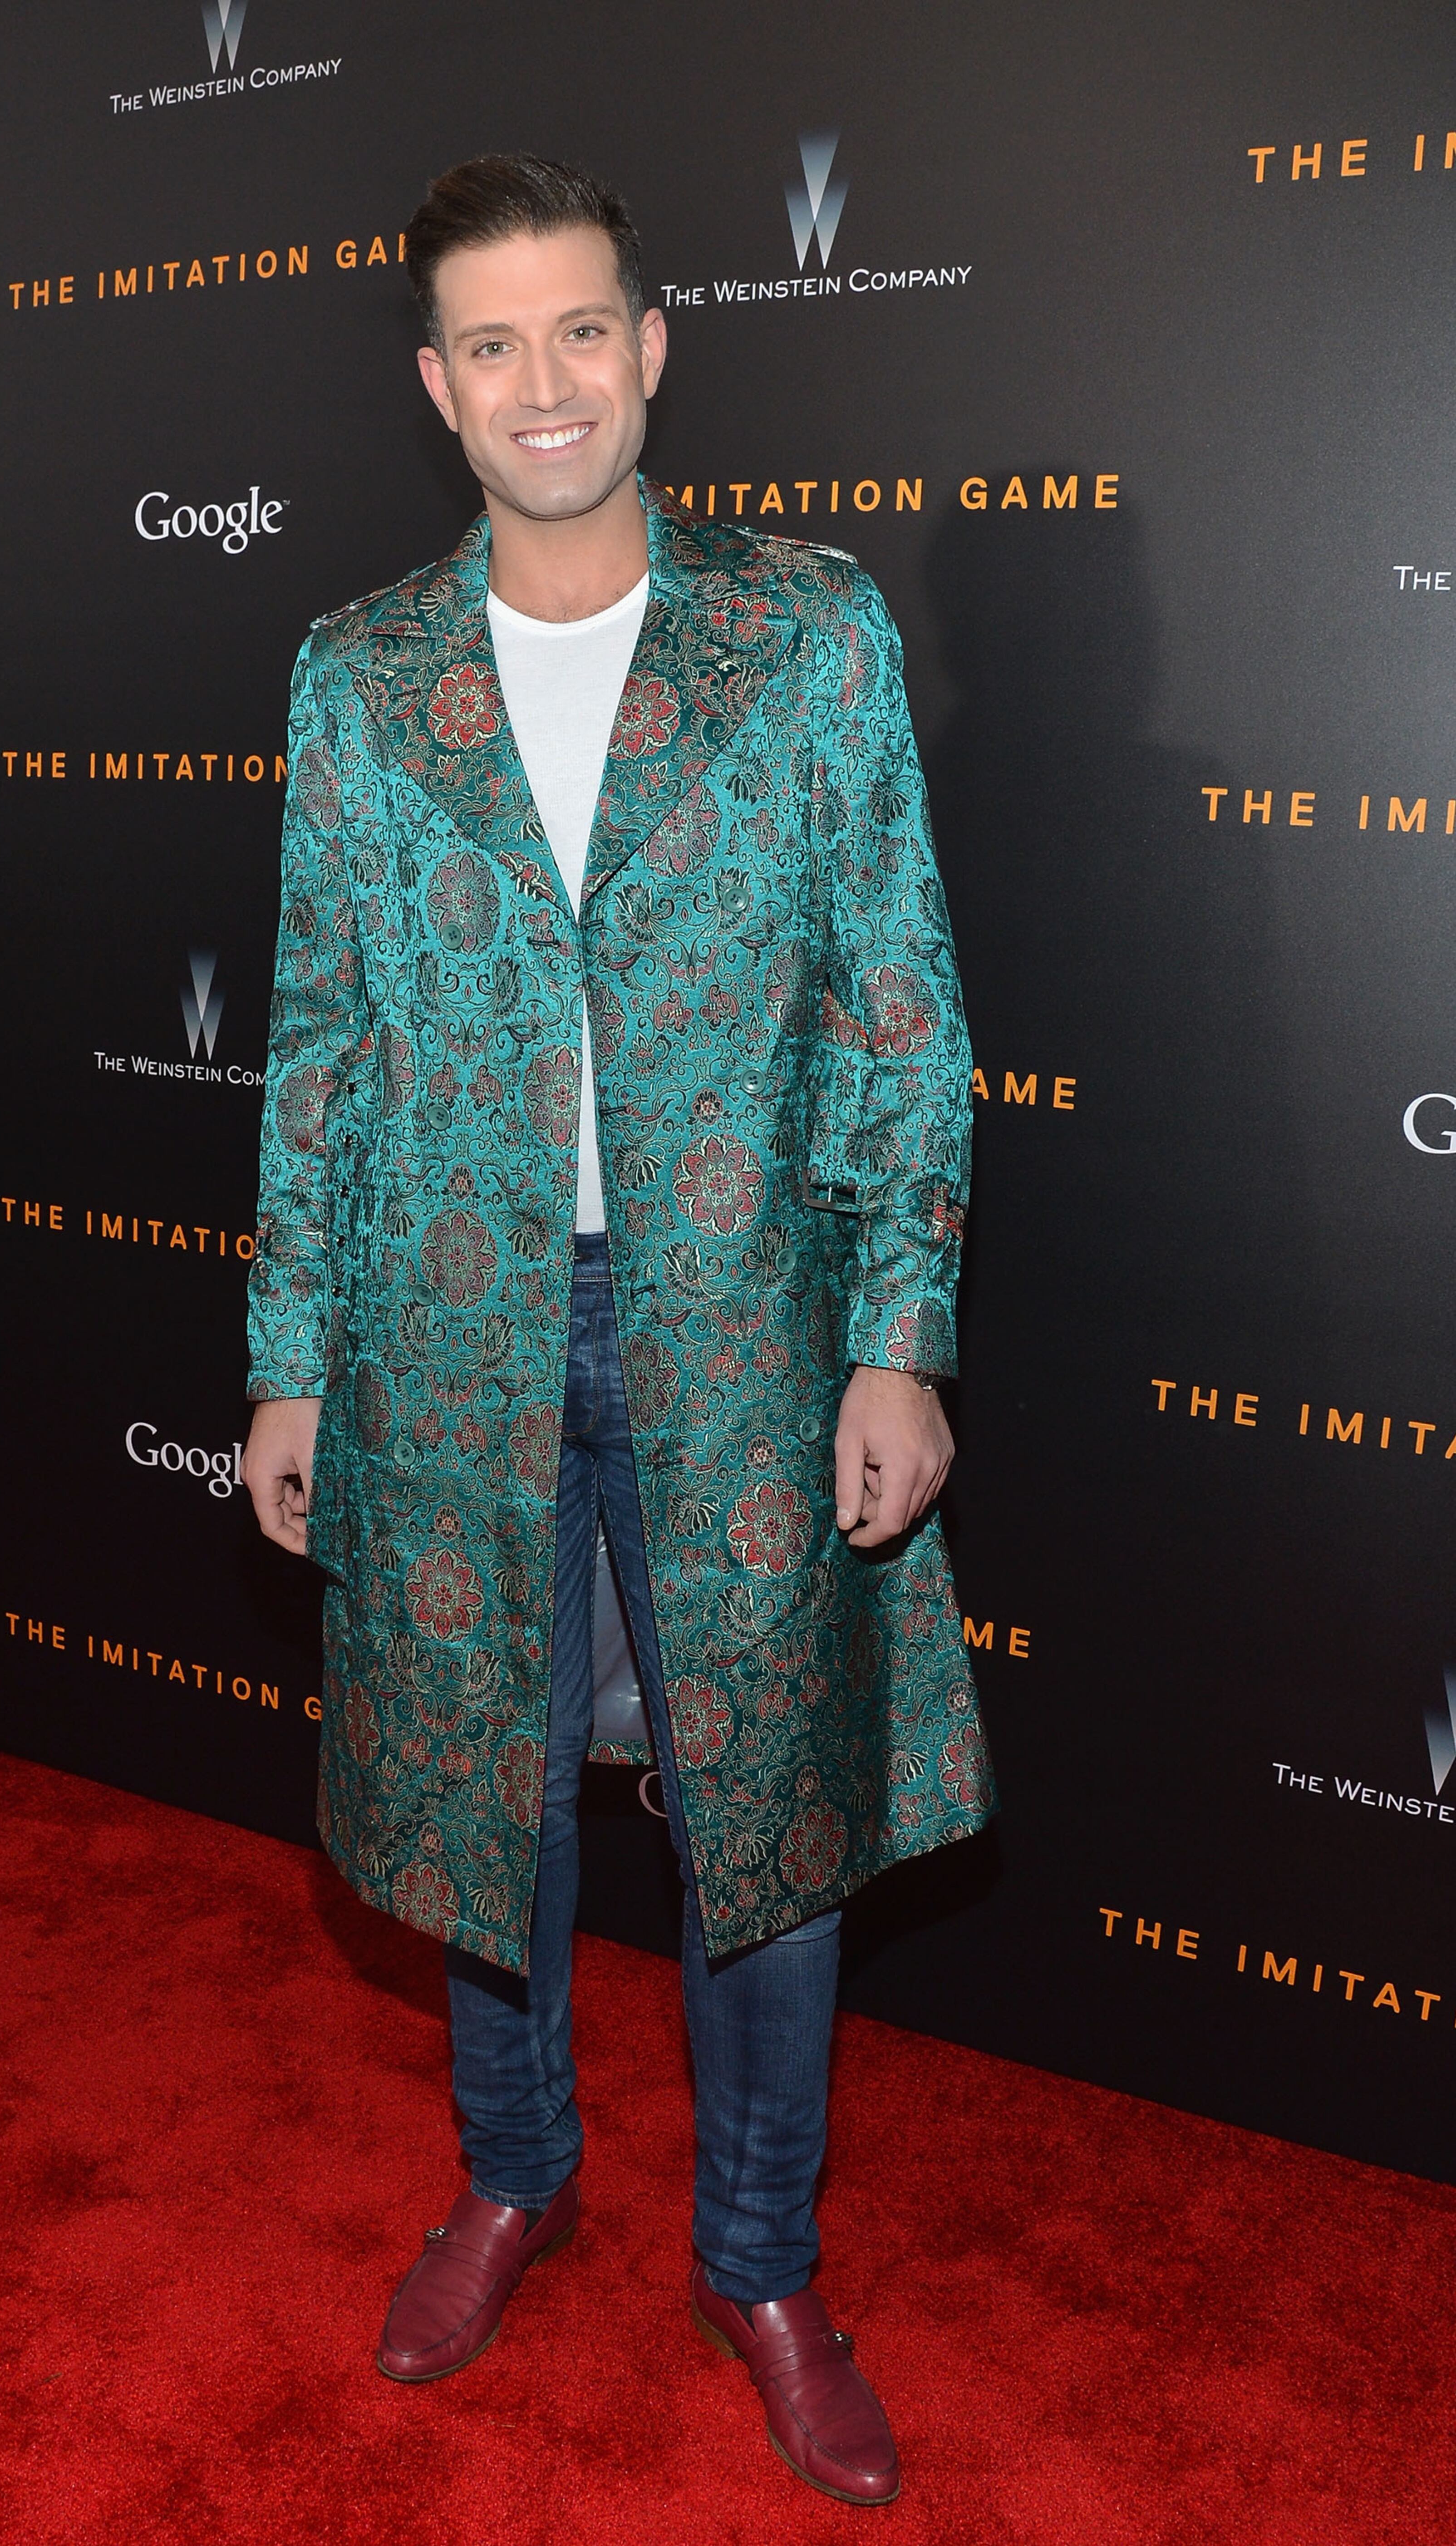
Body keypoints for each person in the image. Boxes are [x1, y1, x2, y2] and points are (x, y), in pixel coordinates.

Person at [243, 152, 993, 2507]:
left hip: (745, 1331)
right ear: (438, 388)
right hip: (448, 1344)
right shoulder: (358, 675)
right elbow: (325, 1039)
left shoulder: (810, 630)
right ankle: (513, 2173)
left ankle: (761, 2259)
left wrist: (901, 1331)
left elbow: (899, 996)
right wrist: (290, 1349)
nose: (544, 383)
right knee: (483, 1805)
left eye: (584, 332)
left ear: (653, 350)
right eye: (493, 345)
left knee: (761, 1829)